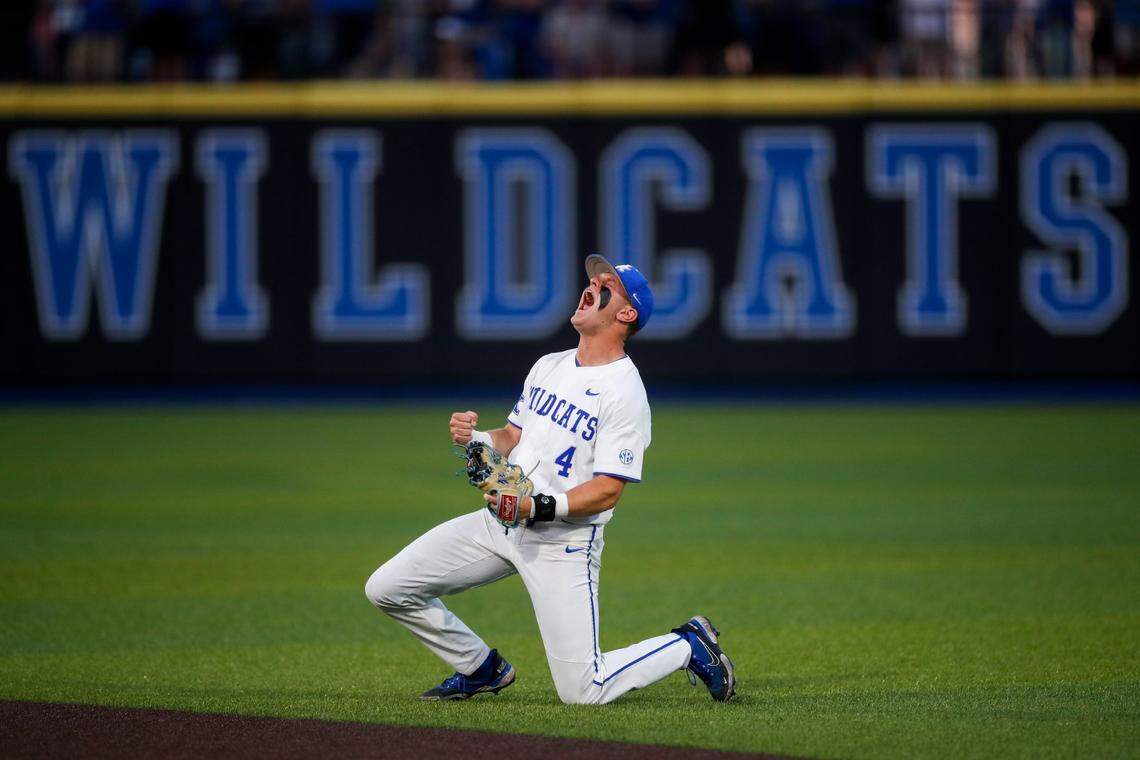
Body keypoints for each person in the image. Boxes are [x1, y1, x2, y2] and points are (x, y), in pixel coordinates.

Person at [365, 254, 736, 704]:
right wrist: (476, 435)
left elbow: (608, 490)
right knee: (387, 588)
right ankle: (481, 668)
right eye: (594, 277)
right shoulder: (549, 364)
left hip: (563, 543)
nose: (592, 284)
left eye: (607, 284)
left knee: (584, 690)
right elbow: (511, 435)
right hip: (499, 526)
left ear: (626, 313)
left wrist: (538, 507)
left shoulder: (625, 392)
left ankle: (687, 645)